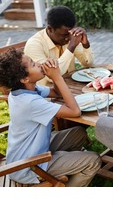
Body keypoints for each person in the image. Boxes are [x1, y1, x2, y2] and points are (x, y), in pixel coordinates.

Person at [0, 48, 101, 186]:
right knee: (93, 160)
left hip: (32, 151)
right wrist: (57, 77)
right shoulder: (29, 103)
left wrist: (54, 74)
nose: (39, 64)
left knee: (79, 133)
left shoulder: (24, 91)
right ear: (25, 78)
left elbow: (56, 92)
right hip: (29, 167)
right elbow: (75, 111)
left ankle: (67, 164)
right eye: (33, 64)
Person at [24, 5, 94, 85]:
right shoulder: (34, 45)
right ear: (50, 29)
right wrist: (71, 46)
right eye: (64, 35)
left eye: (70, 33)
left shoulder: (70, 36)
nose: (68, 38)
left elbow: (88, 63)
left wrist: (85, 44)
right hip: (47, 93)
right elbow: (51, 76)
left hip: (70, 86)